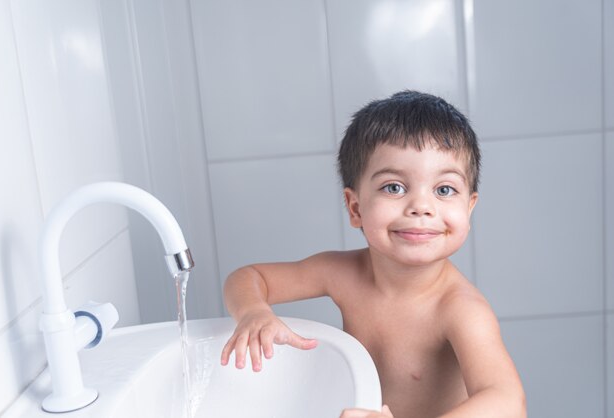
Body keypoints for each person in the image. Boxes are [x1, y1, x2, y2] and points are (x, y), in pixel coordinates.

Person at [220, 90, 526, 418]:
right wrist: (253, 312)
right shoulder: (341, 273)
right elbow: (250, 277)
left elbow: (507, 402)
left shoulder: (460, 309)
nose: (421, 207)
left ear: (469, 207)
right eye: (394, 187)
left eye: (444, 190)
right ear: (355, 208)